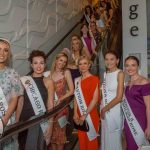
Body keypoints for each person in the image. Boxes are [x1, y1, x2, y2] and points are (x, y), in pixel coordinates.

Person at [17, 50, 54, 150]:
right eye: (35, 63)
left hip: (40, 122)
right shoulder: (24, 80)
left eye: (41, 63)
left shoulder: (48, 81)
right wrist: (16, 122)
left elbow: (50, 104)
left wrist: (50, 125)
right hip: (24, 122)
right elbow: (20, 102)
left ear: (45, 65)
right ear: (31, 65)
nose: (38, 66)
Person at [0, 38, 23, 150]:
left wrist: (4, 120)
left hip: (6, 119)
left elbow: (15, 99)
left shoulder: (12, 73)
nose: (2, 53)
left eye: (5, 50)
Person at [123, 56, 150, 150]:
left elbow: (149, 106)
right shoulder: (126, 84)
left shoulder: (144, 82)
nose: (130, 68)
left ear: (138, 66)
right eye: (127, 65)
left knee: (140, 146)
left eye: (133, 65)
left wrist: (149, 127)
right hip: (128, 120)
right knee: (130, 146)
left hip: (141, 121)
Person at [73, 55, 100, 150]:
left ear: (89, 65)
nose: (82, 66)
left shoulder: (95, 79)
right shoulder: (77, 80)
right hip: (79, 114)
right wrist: (75, 113)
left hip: (90, 114)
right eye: (80, 64)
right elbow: (76, 97)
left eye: (85, 63)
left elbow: (95, 100)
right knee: (82, 142)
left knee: (91, 142)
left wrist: (85, 114)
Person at [50, 52, 74, 150]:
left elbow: (72, 90)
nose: (62, 63)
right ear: (56, 60)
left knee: (60, 135)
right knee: (51, 135)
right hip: (51, 108)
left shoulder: (66, 72)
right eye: (61, 60)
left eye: (64, 62)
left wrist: (60, 99)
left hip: (62, 109)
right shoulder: (49, 74)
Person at [101, 51, 124, 150]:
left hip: (114, 110)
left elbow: (119, 97)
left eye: (112, 59)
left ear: (117, 61)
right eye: (106, 59)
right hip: (105, 108)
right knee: (106, 138)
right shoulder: (105, 73)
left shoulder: (120, 73)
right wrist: (102, 108)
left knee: (114, 138)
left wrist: (104, 109)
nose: (109, 61)